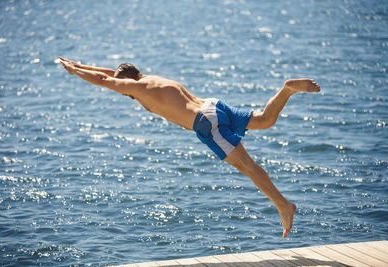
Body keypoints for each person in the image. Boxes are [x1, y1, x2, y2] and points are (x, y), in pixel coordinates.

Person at [59, 57, 320, 238]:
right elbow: (109, 74)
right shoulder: (151, 79)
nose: (124, 92)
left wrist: (75, 72)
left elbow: (104, 81)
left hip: (206, 124)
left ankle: (283, 205)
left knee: (249, 168)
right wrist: (78, 64)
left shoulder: (137, 88)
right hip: (212, 106)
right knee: (265, 119)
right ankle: (286, 90)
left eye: (124, 87)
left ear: (128, 81)